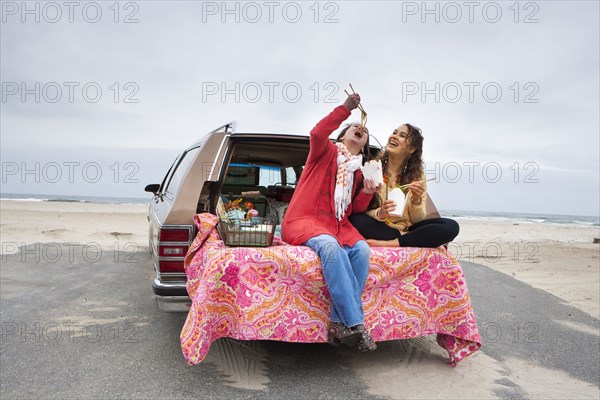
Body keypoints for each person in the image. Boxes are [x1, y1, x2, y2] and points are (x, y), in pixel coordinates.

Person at [281, 94, 380, 352]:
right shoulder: (325, 150)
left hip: (338, 226)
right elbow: (317, 133)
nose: (362, 130)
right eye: (356, 128)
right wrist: (344, 110)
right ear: (344, 134)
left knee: (362, 249)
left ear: (364, 143)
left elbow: (352, 209)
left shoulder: (358, 171)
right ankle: (356, 324)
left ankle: (336, 323)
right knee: (330, 248)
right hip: (305, 220)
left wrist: (367, 193)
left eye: (366, 132)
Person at [349, 124, 459, 248]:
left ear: (412, 149)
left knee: (451, 226)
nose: (394, 137)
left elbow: (417, 220)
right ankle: (408, 238)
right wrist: (380, 213)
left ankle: (393, 242)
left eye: (402, 135)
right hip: (379, 226)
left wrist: (416, 200)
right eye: (394, 132)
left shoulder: (417, 175)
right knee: (356, 220)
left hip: (406, 228)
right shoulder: (372, 166)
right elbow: (361, 209)